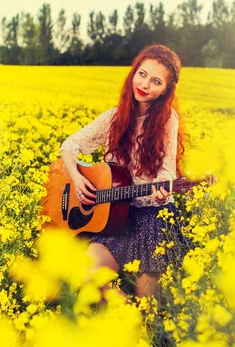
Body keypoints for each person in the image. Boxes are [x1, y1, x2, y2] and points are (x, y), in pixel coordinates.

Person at [59, 44, 187, 300]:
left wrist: (162, 191)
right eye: (142, 74)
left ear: (165, 90)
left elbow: (166, 170)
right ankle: (128, 317)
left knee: (148, 301)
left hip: (154, 216)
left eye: (155, 81)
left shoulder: (167, 119)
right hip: (116, 217)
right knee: (88, 276)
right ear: (133, 73)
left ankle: (140, 325)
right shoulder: (113, 118)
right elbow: (70, 146)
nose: (145, 84)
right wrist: (76, 178)